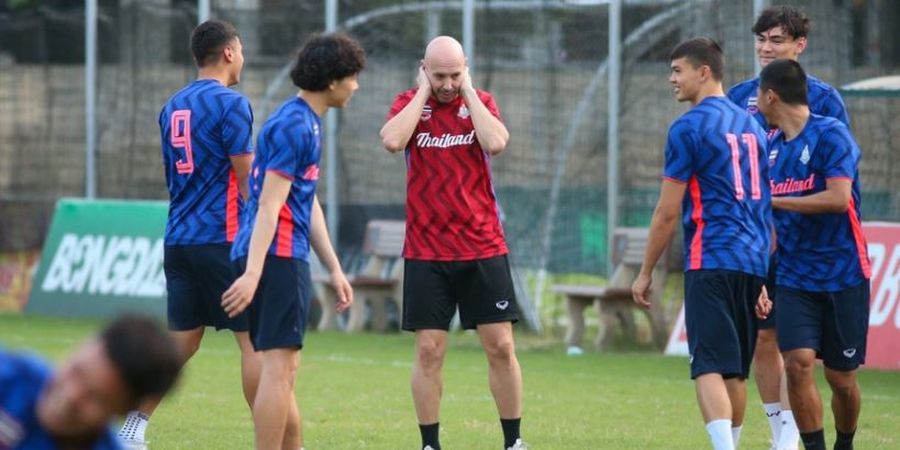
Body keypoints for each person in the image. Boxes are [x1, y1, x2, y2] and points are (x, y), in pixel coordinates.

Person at [118, 20, 260, 450]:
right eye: (242, 50)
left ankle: (131, 427)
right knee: (257, 343)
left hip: (179, 238)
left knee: (182, 340)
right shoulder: (231, 104)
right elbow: (245, 178)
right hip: (223, 238)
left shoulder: (171, 105)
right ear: (230, 53)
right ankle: (273, 438)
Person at [380, 36, 527, 450]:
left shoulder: (480, 101)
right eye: (439, 75)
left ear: (467, 69)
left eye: (454, 74)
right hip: (427, 251)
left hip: (482, 246)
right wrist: (424, 91)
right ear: (424, 69)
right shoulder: (409, 103)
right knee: (429, 351)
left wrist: (468, 92)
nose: (447, 83)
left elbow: (496, 142)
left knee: (500, 346)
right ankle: (430, 444)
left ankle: (513, 441)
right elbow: (392, 140)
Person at [220, 32, 364, 450]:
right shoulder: (295, 125)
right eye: (353, 77)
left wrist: (334, 268)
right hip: (276, 257)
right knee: (280, 372)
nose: (356, 86)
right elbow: (269, 206)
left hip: (272, 255)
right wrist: (252, 273)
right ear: (334, 80)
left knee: (281, 370)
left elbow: (306, 201)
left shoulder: (303, 121)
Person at [631, 37, 771, 450]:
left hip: (710, 258)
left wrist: (645, 271)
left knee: (708, 365)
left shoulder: (688, 127)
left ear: (703, 72)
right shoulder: (754, 127)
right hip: (751, 261)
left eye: (678, 70)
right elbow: (764, 206)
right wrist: (762, 273)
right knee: (736, 372)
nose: (671, 79)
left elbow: (667, 212)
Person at [726, 7, 850, 448]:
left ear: (800, 46)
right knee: (762, 336)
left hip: (803, 242)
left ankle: (794, 432)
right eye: (761, 39)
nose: (766, 47)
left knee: (800, 352)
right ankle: (781, 428)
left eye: (776, 40)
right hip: (755, 238)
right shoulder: (740, 95)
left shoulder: (825, 99)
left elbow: (837, 170)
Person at [756, 59, 871, 450]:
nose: (756, 105)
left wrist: (778, 201)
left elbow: (839, 199)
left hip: (844, 273)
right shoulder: (770, 149)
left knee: (842, 379)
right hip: (793, 276)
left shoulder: (832, 134)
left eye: (758, 98)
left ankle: (845, 442)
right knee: (798, 363)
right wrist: (758, 275)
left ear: (771, 96)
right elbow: (768, 224)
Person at [0, 315, 181, 450]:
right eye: (76, 372)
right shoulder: (15, 377)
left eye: (95, 397)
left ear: (124, 411)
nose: (70, 396)